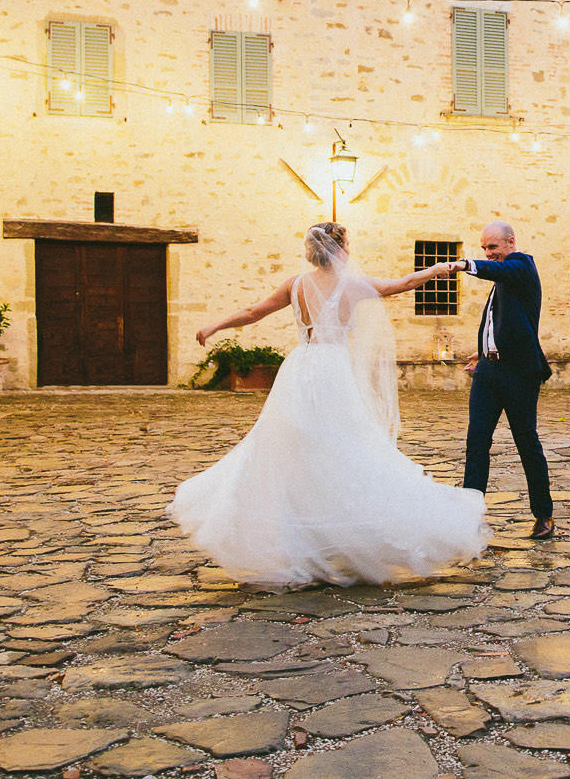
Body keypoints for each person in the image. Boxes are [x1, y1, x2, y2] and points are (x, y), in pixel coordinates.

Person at [168, 222, 489, 586]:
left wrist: (213, 327)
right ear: (342, 248)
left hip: (299, 369)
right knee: (345, 448)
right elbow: (401, 285)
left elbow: (253, 311)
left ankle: (306, 538)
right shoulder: (351, 285)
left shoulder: (295, 284)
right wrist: (436, 269)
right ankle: (332, 533)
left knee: (295, 451)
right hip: (332, 370)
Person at [454, 220, 556, 539]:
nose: (488, 253)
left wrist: (463, 264)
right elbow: (502, 323)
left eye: (492, 247)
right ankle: (470, 518)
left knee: (527, 442)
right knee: (476, 444)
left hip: (519, 375)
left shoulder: (521, 265)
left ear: (510, 242)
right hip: (488, 373)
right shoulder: (502, 281)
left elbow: (502, 271)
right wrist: (483, 352)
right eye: (483, 248)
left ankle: (544, 515)